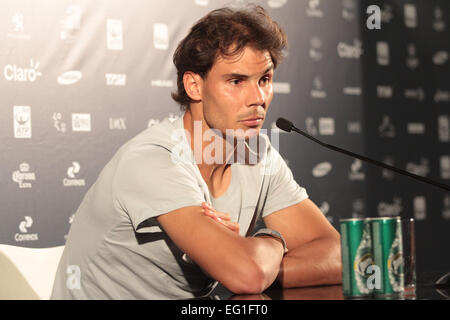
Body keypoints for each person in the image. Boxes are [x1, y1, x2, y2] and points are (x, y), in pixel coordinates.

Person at [51, 5, 341, 300]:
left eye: (264, 80)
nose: (258, 99)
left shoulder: (258, 155)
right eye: (236, 81)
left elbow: (336, 255)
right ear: (194, 85)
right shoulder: (154, 159)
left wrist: (260, 264)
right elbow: (246, 274)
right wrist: (272, 240)